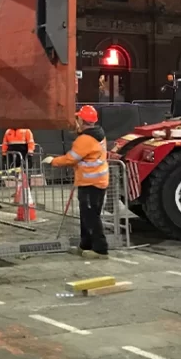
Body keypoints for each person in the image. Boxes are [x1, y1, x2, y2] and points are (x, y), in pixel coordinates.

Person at [44, 105, 109, 259]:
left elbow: (70, 158)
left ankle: (100, 249)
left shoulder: (85, 139)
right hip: (97, 182)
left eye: (78, 118)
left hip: (90, 183)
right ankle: (85, 245)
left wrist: (53, 161)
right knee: (88, 216)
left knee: (91, 217)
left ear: (83, 120)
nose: (76, 121)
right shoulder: (99, 135)